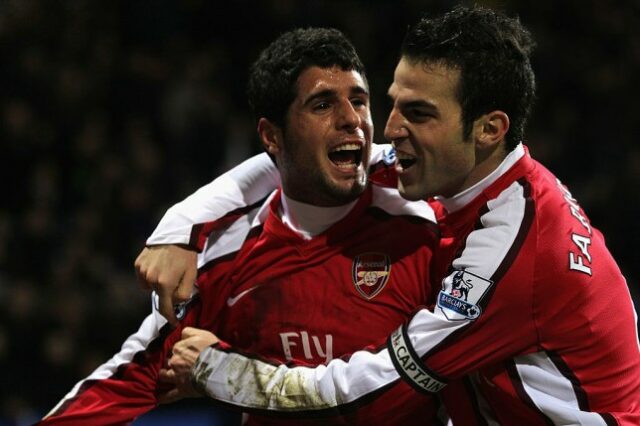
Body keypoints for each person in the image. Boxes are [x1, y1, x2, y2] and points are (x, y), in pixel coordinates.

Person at [140, 5, 640, 425]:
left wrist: (217, 371)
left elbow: (378, 388)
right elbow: (291, 160)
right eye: (394, 104)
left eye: (419, 114)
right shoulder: (482, 180)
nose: (390, 128)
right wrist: (183, 225)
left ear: (489, 129)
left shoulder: (512, 251)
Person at [40, 28, 445, 425]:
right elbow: (126, 382)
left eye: (359, 100)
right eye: (322, 105)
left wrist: (226, 372)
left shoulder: (428, 225)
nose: (351, 119)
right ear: (272, 135)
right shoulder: (224, 258)